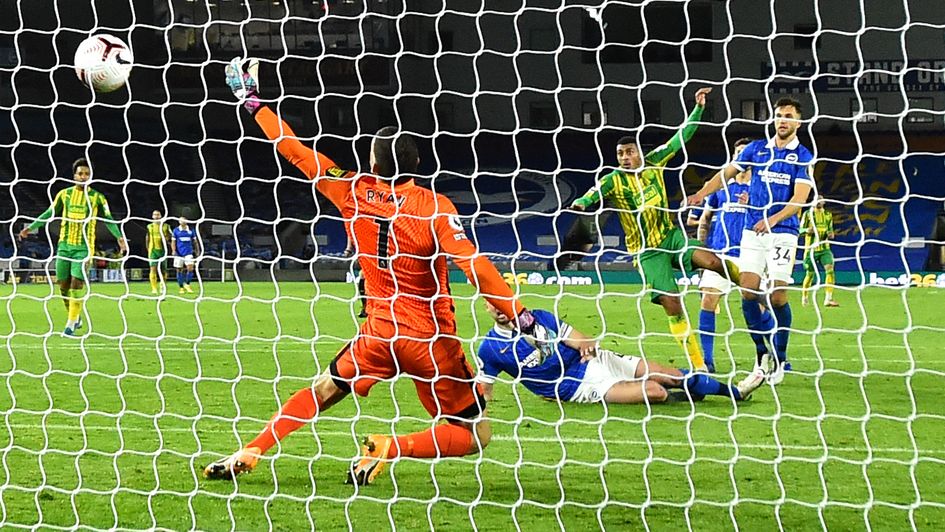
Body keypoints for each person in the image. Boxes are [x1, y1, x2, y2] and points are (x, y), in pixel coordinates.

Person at [204, 57, 555, 485]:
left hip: (379, 332)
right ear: (417, 161)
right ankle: (391, 446)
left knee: (324, 389)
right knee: (475, 434)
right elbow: (473, 264)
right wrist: (519, 315)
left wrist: (252, 102)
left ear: (374, 164)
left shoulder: (352, 188)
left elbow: (293, 149)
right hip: (430, 339)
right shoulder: (433, 207)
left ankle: (254, 447)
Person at [570, 87, 741, 373]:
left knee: (712, 262)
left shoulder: (655, 160)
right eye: (620, 154)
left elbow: (681, 136)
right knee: (672, 303)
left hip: (670, 237)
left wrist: (699, 108)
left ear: (639, 152)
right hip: (647, 252)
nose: (624, 157)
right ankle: (699, 365)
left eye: (629, 152)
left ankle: (750, 289)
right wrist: (582, 203)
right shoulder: (613, 180)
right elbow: (593, 193)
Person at [687, 97, 815, 386]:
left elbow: (799, 200)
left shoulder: (803, 156)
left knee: (778, 297)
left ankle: (780, 357)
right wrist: (701, 193)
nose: (783, 120)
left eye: (788, 116)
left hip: (783, 231)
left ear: (798, 122)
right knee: (747, 291)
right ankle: (761, 354)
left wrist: (772, 219)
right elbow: (726, 174)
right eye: (779, 115)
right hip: (752, 231)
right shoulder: (757, 149)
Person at [477, 301, 762, 405]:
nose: (499, 309)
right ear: (485, 307)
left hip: (595, 361)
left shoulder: (539, 317)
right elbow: (484, 391)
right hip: (577, 387)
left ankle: (736, 392)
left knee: (671, 375)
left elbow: (581, 340)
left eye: (502, 302)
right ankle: (688, 395)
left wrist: (586, 347)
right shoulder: (489, 348)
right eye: (492, 304)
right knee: (655, 391)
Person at [18, 158, 127, 336]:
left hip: (84, 248)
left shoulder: (97, 197)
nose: (83, 177)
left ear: (90, 176)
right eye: (80, 173)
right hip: (64, 247)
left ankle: (70, 324)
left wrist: (119, 237)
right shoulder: (64, 194)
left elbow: (109, 219)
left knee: (76, 282)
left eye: (87, 174)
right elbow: (50, 212)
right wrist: (31, 227)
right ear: (74, 176)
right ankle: (76, 317)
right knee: (63, 285)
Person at [695, 138, 776, 373]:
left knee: (758, 307)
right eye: (738, 152)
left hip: (750, 254)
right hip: (719, 254)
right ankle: (707, 361)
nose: (742, 156)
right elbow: (705, 220)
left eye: (745, 152)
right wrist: (701, 252)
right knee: (708, 300)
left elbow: (771, 221)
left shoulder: (762, 188)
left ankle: (777, 354)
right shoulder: (721, 187)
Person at [799, 199, 839, 307]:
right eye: (817, 200)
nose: (818, 202)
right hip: (810, 249)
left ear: (824, 203)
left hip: (824, 249)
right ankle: (804, 296)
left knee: (830, 270)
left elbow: (830, 230)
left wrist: (831, 234)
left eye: (820, 200)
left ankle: (828, 299)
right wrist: (806, 230)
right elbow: (799, 230)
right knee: (810, 274)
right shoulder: (808, 214)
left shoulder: (828, 215)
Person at [146, 210, 172, 295]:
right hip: (153, 250)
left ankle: (162, 285)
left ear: (161, 216)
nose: (156, 216)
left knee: (163, 270)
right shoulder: (149, 226)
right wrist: (148, 248)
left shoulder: (166, 226)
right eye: (154, 215)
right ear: (152, 216)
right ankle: (154, 288)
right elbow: (147, 238)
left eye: (158, 215)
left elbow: (170, 237)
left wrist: (167, 239)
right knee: (153, 269)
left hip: (163, 250)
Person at [171, 217, 199, 294]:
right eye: (181, 220)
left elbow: (195, 241)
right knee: (179, 270)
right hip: (178, 253)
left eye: (184, 220)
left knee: (190, 268)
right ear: (179, 222)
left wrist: (197, 251)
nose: (183, 221)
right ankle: (181, 287)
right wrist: (173, 250)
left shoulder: (191, 230)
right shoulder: (176, 230)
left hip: (188, 253)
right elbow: (173, 242)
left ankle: (187, 284)